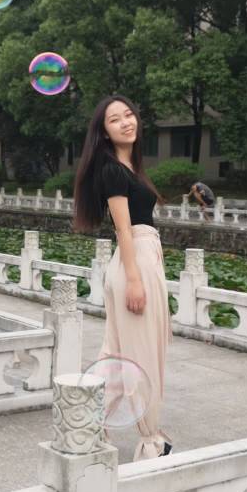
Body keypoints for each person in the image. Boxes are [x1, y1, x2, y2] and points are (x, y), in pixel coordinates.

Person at [73, 94, 173, 461]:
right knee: (142, 355)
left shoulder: (130, 167)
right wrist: (134, 280)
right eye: (115, 119)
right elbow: (124, 230)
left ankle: (87, 423)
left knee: (117, 355)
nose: (126, 122)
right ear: (103, 132)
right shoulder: (113, 170)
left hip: (143, 259)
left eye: (129, 114)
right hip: (135, 263)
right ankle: (151, 442)